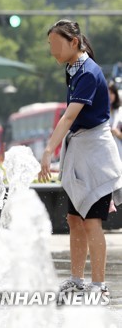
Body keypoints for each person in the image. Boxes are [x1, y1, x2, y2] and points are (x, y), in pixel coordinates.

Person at [39, 19, 122, 299]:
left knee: (92, 222)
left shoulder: (87, 71)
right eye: (50, 45)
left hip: (95, 155)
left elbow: (70, 116)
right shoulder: (73, 68)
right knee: (74, 219)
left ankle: (99, 285)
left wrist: (49, 149)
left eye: (55, 44)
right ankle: (77, 279)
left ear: (74, 42)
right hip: (81, 150)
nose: (52, 50)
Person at [108, 80, 122, 159]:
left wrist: (117, 133)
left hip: (119, 149)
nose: (110, 96)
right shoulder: (101, 112)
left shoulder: (120, 111)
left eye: (112, 93)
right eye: (108, 93)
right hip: (104, 149)